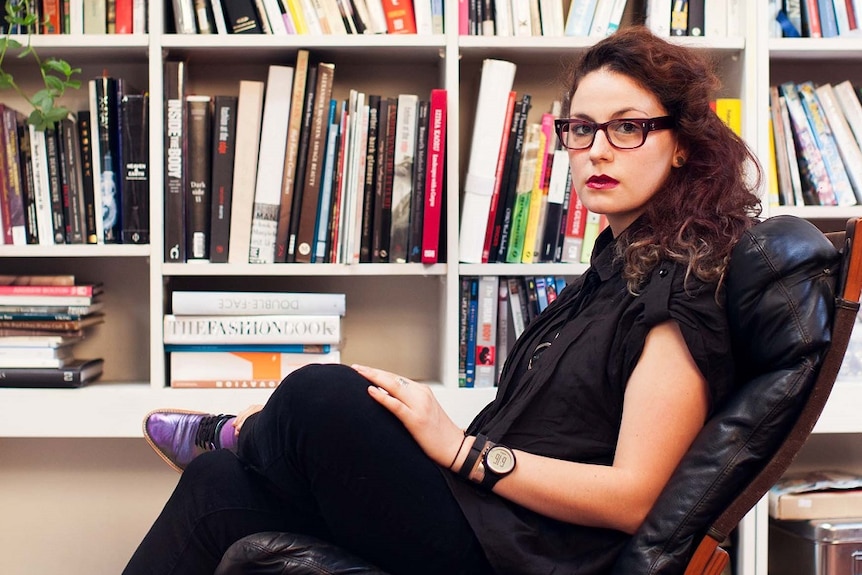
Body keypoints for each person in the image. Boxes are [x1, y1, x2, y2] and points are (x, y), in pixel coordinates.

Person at [124, 25, 761, 575]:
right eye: (581, 128)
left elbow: (636, 498)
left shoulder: (681, 289)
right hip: (488, 516)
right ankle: (247, 450)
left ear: (681, 143)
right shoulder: (611, 271)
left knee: (322, 396)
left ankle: (248, 437)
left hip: (530, 555)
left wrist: (461, 450)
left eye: (628, 127)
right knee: (216, 487)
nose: (596, 149)